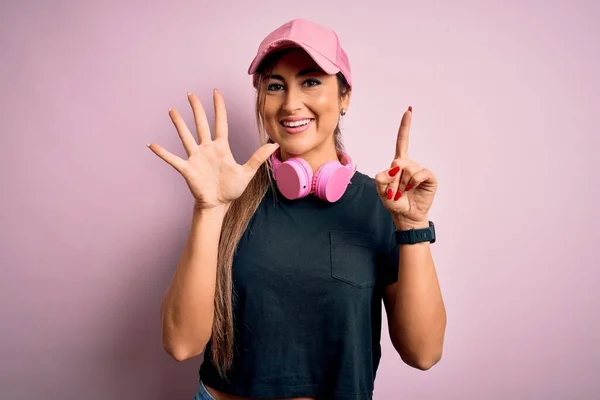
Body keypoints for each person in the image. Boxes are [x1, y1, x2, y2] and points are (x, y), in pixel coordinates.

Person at [148, 18, 446, 400]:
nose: (290, 103)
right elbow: (181, 344)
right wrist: (209, 209)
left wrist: (412, 224)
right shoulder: (228, 197)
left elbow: (424, 353)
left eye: (310, 81)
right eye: (275, 86)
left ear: (344, 97)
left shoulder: (385, 205)